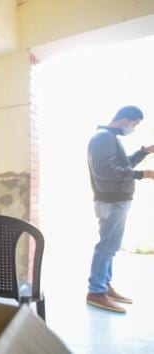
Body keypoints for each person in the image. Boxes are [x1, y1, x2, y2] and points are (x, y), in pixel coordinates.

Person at [86, 105, 154, 313]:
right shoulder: (103, 138)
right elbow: (106, 172)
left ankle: (104, 286)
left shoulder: (109, 138)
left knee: (110, 247)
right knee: (106, 246)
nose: (133, 128)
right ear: (125, 120)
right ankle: (96, 292)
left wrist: (144, 152)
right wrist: (143, 174)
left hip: (115, 200)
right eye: (134, 124)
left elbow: (124, 165)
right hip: (112, 201)